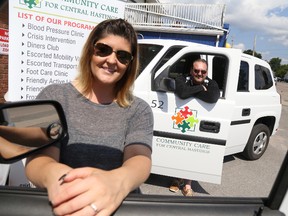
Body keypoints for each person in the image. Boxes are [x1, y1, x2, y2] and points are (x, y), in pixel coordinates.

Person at [25, 18, 154, 216]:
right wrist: (69, 183)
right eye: (103, 49)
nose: (112, 60)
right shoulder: (53, 96)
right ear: (90, 51)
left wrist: (116, 182)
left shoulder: (139, 109)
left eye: (123, 56)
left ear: (130, 64)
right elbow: (38, 160)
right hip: (65, 206)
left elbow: (139, 158)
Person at [169, 58, 220, 196]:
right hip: (182, 117)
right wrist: (199, 88)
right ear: (191, 71)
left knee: (192, 152)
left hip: (198, 122)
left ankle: (187, 185)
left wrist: (190, 91)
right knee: (179, 148)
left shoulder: (211, 82)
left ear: (206, 72)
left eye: (203, 71)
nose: (199, 74)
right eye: (196, 70)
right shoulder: (182, 78)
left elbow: (213, 97)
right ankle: (177, 178)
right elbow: (181, 92)